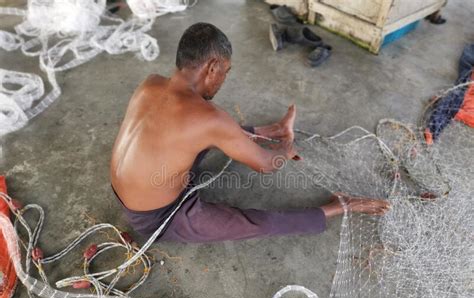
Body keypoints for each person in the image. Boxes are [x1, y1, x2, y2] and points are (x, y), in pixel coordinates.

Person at [110, 23, 389, 243]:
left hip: (128, 193)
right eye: (226, 72)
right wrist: (285, 150)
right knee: (255, 223)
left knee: (209, 132)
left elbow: (193, 130)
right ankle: (338, 206)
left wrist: (270, 135)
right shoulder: (208, 118)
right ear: (212, 67)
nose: (223, 80)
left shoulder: (151, 84)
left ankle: (273, 129)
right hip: (157, 218)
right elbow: (267, 165)